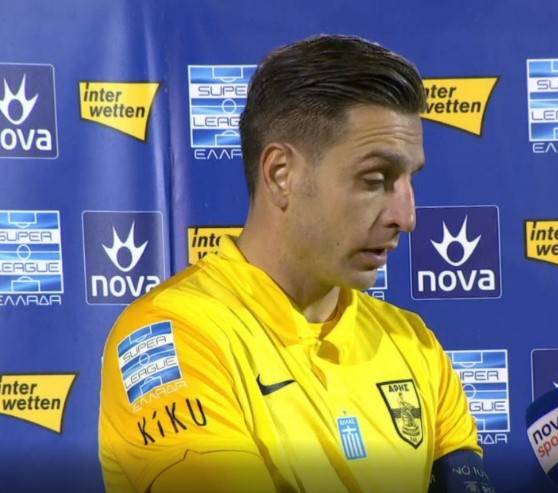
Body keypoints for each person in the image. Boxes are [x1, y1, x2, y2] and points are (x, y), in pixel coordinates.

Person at [98, 35, 496, 493]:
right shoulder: (175, 336)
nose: (406, 218)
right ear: (280, 174)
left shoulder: (415, 344)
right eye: (374, 180)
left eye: (409, 181)